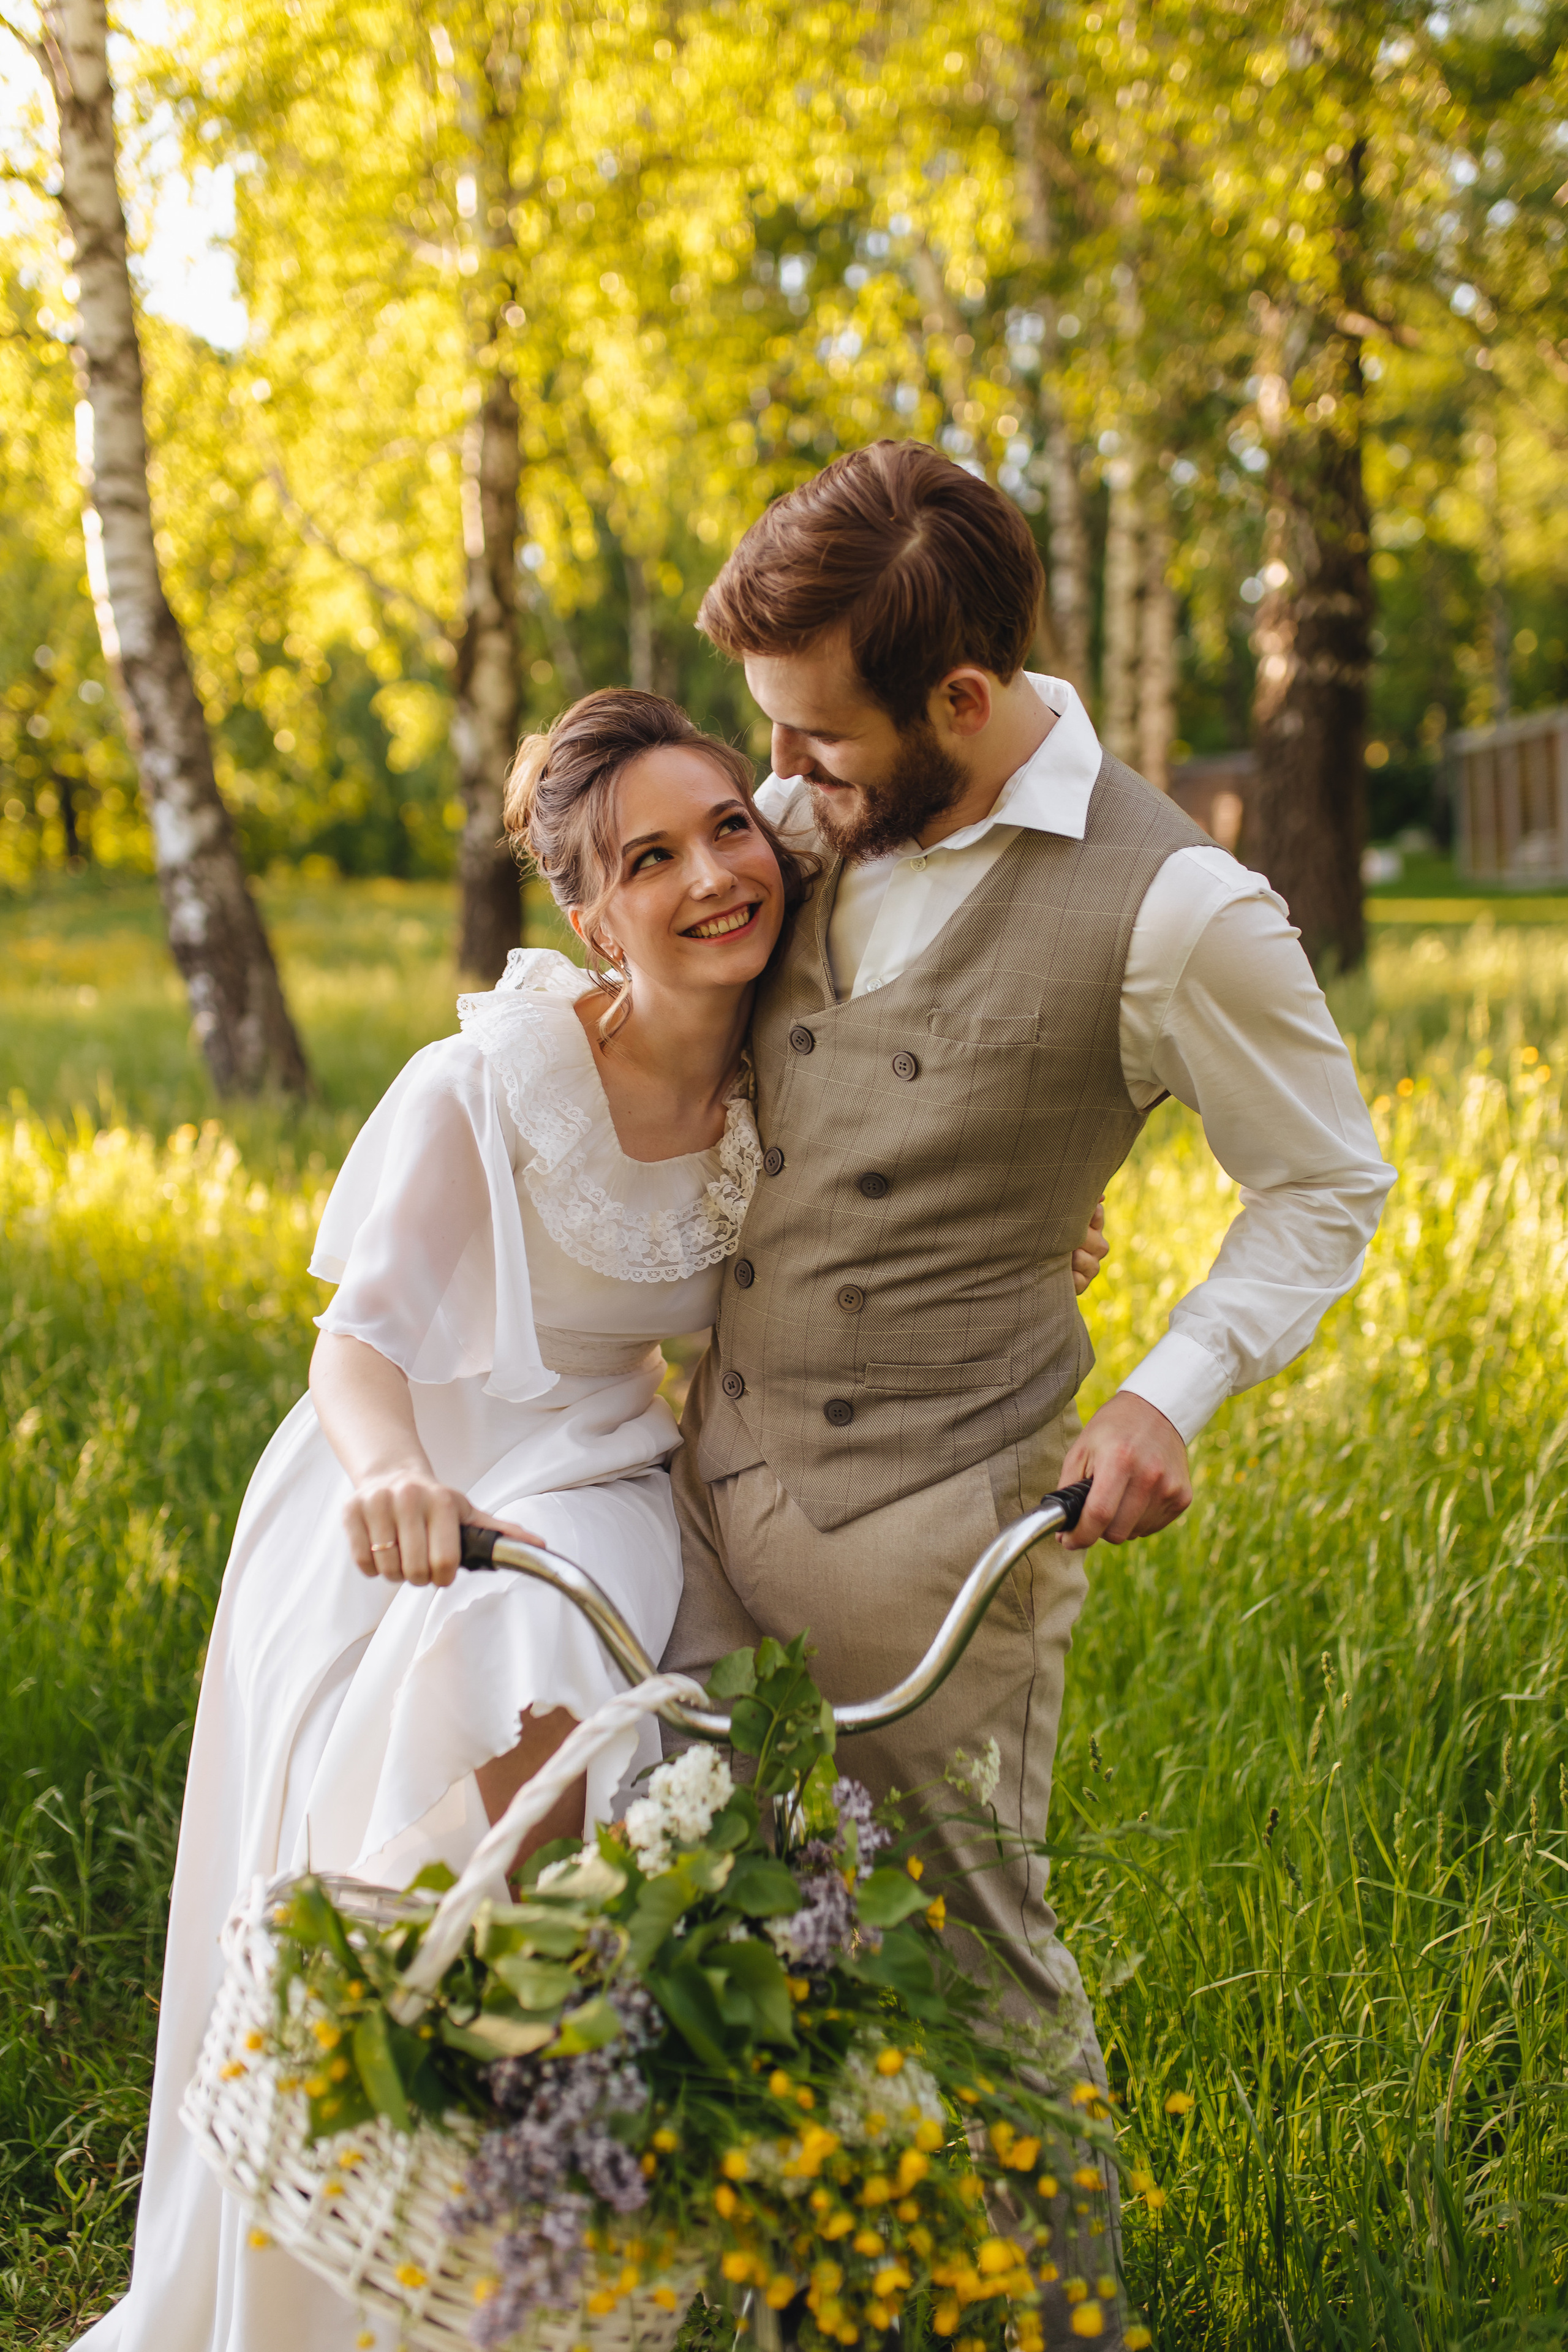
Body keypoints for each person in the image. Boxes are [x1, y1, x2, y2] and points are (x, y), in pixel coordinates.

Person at [78, 680, 1114, 2352]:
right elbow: (357, 1347)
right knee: (504, 1646)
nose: (713, 873)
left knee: (667, 1715)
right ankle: (408, 2082)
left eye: (726, 828)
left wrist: (1017, 1250)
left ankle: (575, 2125)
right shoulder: (486, 1084)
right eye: (650, 859)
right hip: (428, 1462)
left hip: (616, 1460)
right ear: (587, 911)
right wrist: (394, 1480)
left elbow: (884, 1239)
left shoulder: (791, 1081)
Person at [661, 440, 1395, 2345]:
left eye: (814, 745)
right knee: (730, 1934)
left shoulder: (1179, 910)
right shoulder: (827, 809)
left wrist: (1166, 1389)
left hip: (943, 1531)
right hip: (703, 1480)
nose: (777, 787)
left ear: (961, 703)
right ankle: (797, 2298)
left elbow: (1327, 1185)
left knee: (974, 1978)